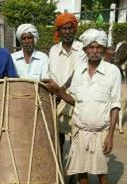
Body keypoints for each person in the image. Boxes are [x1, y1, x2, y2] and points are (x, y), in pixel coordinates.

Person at [44, 29, 121, 184]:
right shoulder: (79, 71)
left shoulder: (112, 71)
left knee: (101, 173)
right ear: (85, 50)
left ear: (103, 49)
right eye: (90, 47)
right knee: (82, 171)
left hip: (100, 131)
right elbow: (73, 100)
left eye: (98, 47)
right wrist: (57, 90)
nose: (94, 51)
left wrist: (110, 135)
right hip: (80, 130)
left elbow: (115, 106)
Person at [48, 12, 85, 154]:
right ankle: (60, 166)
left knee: (78, 138)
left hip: (77, 98)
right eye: (64, 28)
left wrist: (62, 89)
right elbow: (51, 74)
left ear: (75, 29)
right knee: (58, 136)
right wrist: (57, 92)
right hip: (57, 99)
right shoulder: (53, 50)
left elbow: (79, 72)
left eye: (70, 28)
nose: (68, 31)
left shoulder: (83, 49)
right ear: (59, 31)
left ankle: (76, 172)